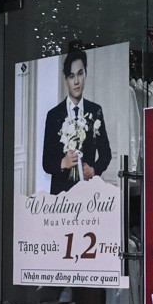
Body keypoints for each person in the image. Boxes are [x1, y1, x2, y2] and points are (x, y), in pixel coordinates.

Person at [40, 47, 112, 194]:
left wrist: (93, 170)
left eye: (80, 74)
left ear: (86, 74)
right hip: (60, 193)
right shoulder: (53, 115)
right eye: (71, 76)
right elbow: (46, 162)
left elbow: (106, 154)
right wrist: (63, 163)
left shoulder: (95, 111)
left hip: (88, 191)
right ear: (66, 79)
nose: (77, 81)